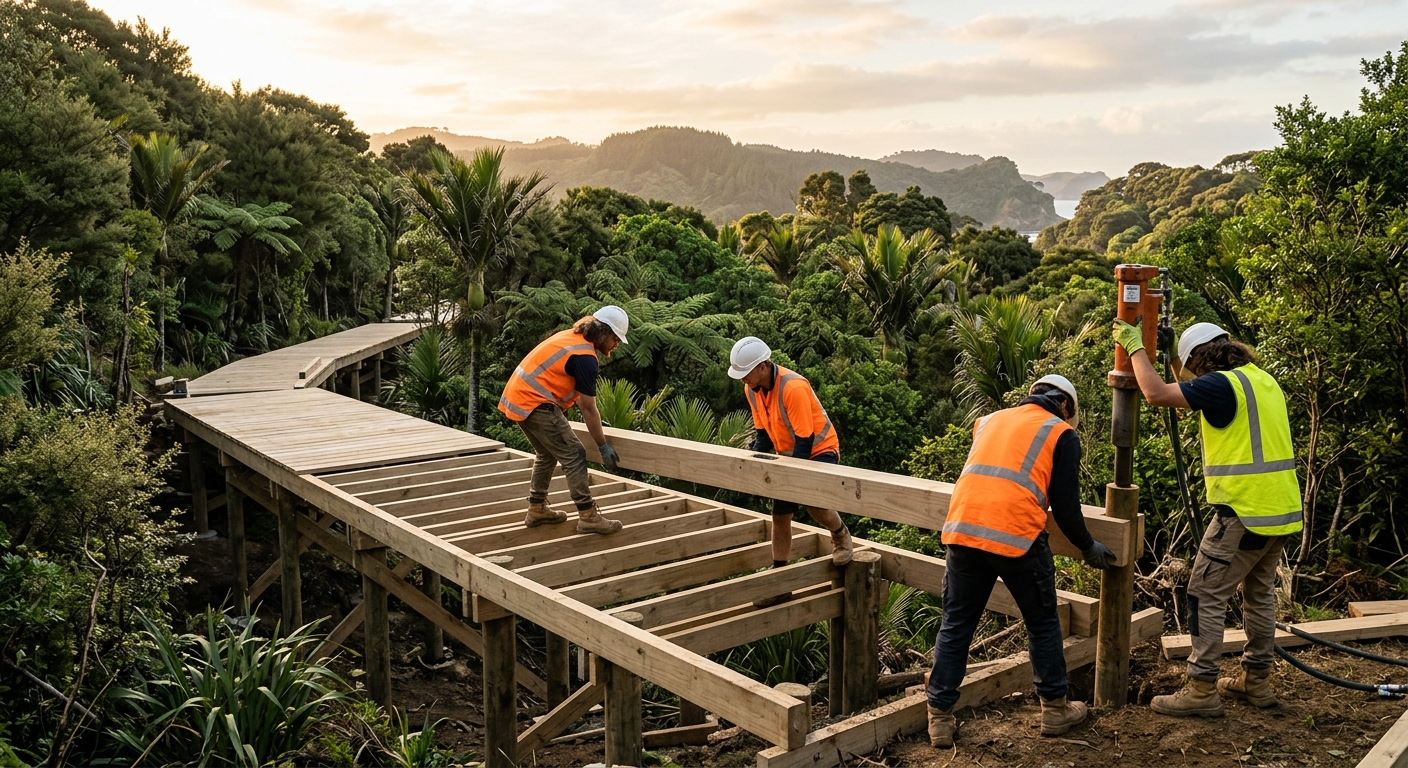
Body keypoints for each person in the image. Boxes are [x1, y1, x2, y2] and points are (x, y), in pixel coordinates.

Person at [1115, 319, 1302, 717]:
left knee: (1204, 594)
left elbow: (1156, 394)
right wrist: (1168, 355)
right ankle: (1257, 681)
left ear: (1202, 359)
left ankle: (1201, 688)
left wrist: (1136, 349)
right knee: (1259, 594)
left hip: (1243, 512)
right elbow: (1185, 392)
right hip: (1281, 510)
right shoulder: (1260, 380)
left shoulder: (1220, 386)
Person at [926, 375, 1116, 748]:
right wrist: (1087, 546)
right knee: (1043, 622)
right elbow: (1064, 506)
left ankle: (939, 720)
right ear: (1065, 407)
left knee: (957, 624)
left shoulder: (988, 420)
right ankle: (1055, 712)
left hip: (963, 530)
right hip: (1017, 537)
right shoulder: (1061, 433)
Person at [728, 337, 854, 605]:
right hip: (787, 454)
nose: (743, 379)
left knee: (814, 504)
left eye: (746, 373)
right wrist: (757, 463)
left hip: (820, 449)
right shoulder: (751, 389)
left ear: (762, 366)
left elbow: (805, 440)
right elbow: (762, 436)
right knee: (780, 514)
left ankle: (841, 534)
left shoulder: (792, 387)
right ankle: (780, 581)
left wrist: (791, 480)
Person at [497, 306, 631, 535]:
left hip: (517, 398)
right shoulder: (585, 358)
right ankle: (588, 516)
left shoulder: (572, 338)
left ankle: (537, 508)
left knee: (546, 453)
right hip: (534, 402)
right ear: (604, 332)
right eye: (615, 338)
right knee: (575, 453)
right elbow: (588, 407)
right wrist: (602, 445)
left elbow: (578, 399)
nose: (616, 344)